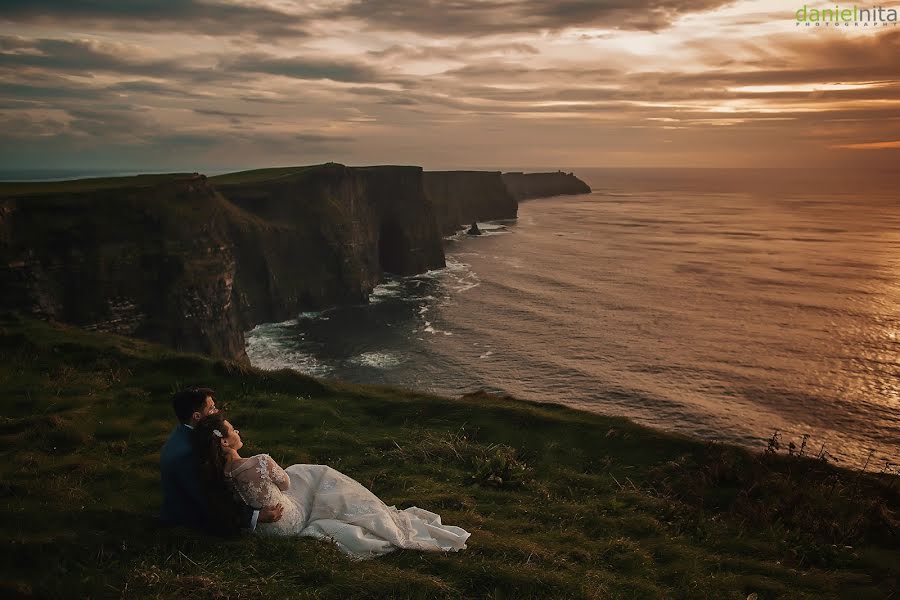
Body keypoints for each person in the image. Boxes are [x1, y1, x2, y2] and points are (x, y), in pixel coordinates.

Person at [193, 413, 471, 559]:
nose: (238, 432)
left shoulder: (217, 474)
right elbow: (286, 483)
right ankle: (369, 510)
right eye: (233, 430)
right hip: (286, 520)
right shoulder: (260, 461)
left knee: (306, 475)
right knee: (317, 474)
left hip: (263, 532)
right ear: (225, 442)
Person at [160, 387, 283, 532]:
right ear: (197, 416)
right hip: (191, 520)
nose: (217, 411)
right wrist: (255, 516)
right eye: (212, 408)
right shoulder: (188, 454)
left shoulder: (185, 431)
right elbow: (208, 501)